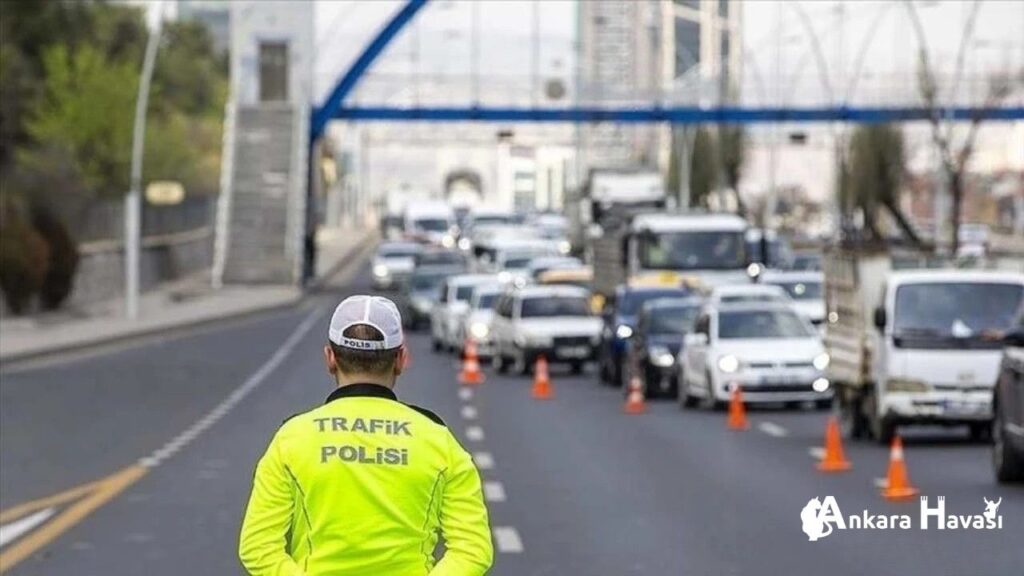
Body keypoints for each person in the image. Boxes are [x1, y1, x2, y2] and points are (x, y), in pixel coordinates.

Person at [239, 295, 493, 575]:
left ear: (330, 358)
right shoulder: (438, 440)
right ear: (401, 359)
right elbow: (473, 549)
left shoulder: (292, 438)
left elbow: (257, 547)